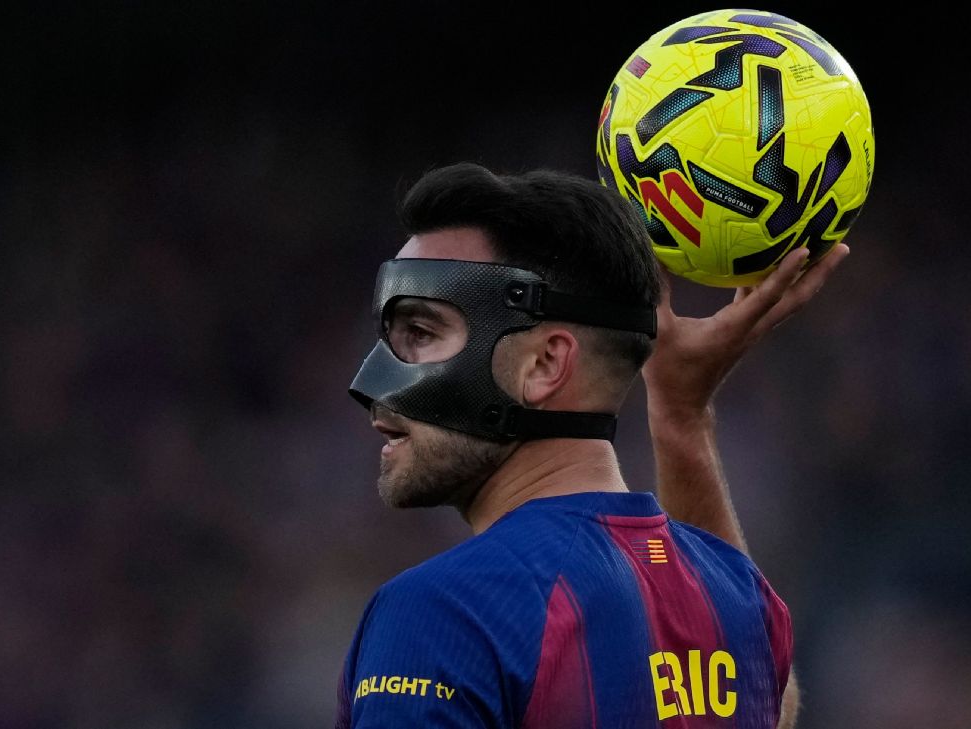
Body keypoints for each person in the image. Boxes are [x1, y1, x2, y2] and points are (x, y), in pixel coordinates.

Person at [335, 162, 848, 728]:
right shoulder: (740, 599)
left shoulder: (443, 611)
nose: (371, 386)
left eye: (421, 333)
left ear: (544, 364)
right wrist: (681, 415)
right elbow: (771, 706)